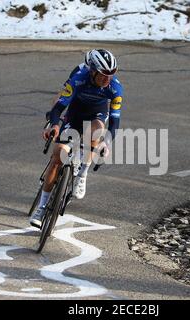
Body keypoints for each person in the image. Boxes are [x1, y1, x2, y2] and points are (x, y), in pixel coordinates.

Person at [30, 49, 123, 228]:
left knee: (96, 133)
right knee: (57, 157)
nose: (107, 79)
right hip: (74, 115)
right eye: (104, 74)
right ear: (93, 70)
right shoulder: (79, 77)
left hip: (97, 114)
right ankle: (41, 208)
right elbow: (59, 107)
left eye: (111, 74)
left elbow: (115, 120)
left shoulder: (115, 88)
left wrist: (107, 142)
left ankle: (82, 174)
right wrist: (55, 124)